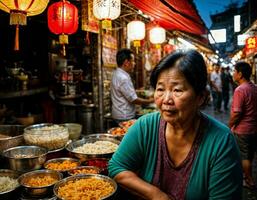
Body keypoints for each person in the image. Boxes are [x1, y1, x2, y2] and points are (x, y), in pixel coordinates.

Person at [108, 49, 243, 200]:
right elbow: (117, 167)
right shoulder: (145, 126)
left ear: (200, 97)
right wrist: (156, 195)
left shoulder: (222, 143)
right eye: (160, 89)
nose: (166, 99)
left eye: (177, 90)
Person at [229, 61, 257, 189]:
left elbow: (237, 113)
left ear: (240, 74)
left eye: (234, 71)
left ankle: (249, 180)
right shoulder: (254, 87)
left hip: (242, 130)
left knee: (244, 156)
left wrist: (229, 126)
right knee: (249, 154)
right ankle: (247, 176)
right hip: (253, 128)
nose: (233, 74)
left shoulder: (240, 90)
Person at [111, 48, 153, 124]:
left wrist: (137, 91)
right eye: (133, 61)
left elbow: (124, 92)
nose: (134, 63)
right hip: (125, 116)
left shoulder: (116, 73)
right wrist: (150, 101)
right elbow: (133, 99)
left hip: (118, 114)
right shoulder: (123, 78)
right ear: (126, 62)